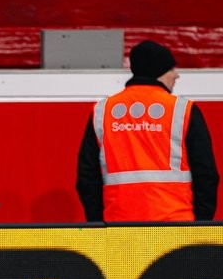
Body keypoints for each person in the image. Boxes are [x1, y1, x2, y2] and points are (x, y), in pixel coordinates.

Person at [77, 39, 219, 222]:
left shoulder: (103, 111)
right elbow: (206, 174)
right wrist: (200, 223)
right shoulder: (183, 110)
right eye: (171, 69)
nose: (177, 75)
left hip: (118, 225)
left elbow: (87, 178)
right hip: (177, 224)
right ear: (158, 72)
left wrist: (99, 222)